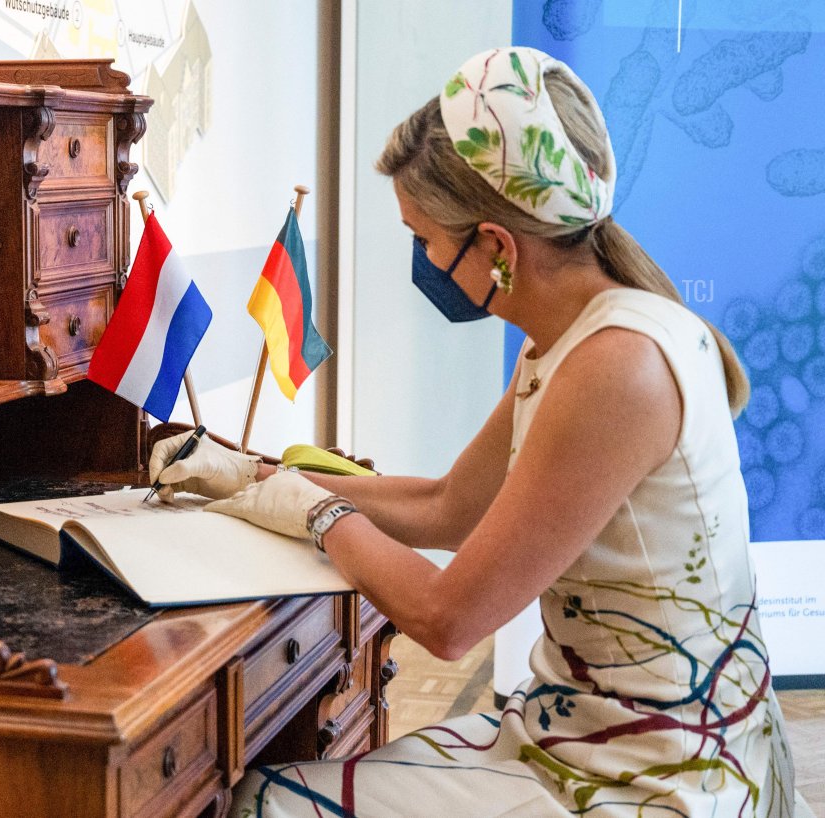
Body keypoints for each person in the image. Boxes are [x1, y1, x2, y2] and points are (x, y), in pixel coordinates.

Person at [149, 47, 796, 817]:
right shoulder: (574, 337)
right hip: (590, 735)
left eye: (424, 238)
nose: (422, 260)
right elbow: (450, 504)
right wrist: (255, 479)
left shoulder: (617, 367)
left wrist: (313, 513)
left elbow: (449, 620)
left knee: (267, 800)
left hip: (652, 776)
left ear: (495, 245)